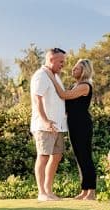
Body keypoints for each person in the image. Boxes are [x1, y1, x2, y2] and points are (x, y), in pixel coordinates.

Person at [46, 59, 96, 199]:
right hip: (73, 124)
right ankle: (84, 190)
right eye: (74, 68)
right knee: (79, 156)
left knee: (85, 156)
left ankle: (91, 191)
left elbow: (64, 95)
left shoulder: (85, 86)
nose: (73, 70)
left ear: (84, 71)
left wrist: (52, 77)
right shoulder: (76, 85)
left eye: (77, 69)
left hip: (82, 124)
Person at [30, 47, 67, 201]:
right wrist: (45, 121)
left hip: (58, 125)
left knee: (56, 156)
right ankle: (41, 193)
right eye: (61, 61)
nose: (63, 64)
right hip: (44, 126)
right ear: (51, 59)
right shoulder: (41, 75)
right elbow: (36, 99)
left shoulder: (55, 76)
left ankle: (48, 191)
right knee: (43, 156)